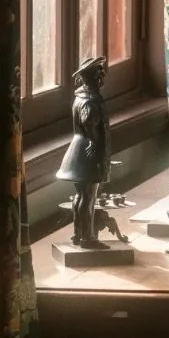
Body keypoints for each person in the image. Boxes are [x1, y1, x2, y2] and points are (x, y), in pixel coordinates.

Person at [56, 56, 110, 246]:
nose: (102, 75)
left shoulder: (81, 97)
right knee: (88, 197)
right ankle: (88, 237)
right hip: (87, 151)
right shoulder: (90, 100)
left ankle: (79, 234)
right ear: (90, 77)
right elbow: (89, 121)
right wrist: (94, 143)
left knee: (82, 195)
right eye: (98, 73)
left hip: (78, 150)